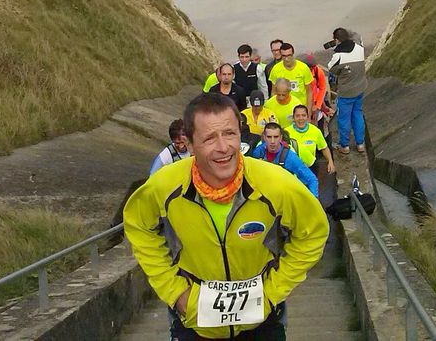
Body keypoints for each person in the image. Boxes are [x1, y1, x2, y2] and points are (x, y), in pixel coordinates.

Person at [123, 93, 329, 340]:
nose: (223, 147)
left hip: (262, 324)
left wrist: (273, 290)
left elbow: (314, 231)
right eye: (209, 138)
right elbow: (137, 225)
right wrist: (176, 291)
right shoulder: (164, 186)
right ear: (189, 144)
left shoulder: (276, 184)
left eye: (230, 133)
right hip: (194, 324)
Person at [327, 27, 368, 154]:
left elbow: (332, 70)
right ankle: (360, 144)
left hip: (346, 92)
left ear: (337, 40)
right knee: (357, 114)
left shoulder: (338, 56)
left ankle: (344, 145)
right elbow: (356, 35)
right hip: (360, 87)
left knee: (344, 119)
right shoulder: (360, 49)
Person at [250, 122, 319, 197]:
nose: (272, 141)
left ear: (280, 138)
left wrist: (313, 203)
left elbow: (312, 179)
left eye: (276, 137)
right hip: (265, 196)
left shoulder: (290, 157)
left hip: (285, 196)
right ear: (264, 137)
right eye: (269, 137)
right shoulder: (258, 152)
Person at [286, 105, 335, 175]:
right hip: (292, 169)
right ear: (293, 118)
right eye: (297, 116)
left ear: (307, 117)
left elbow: (324, 148)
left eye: (303, 115)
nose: (301, 118)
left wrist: (330, 161)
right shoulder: (286, 132)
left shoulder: (315, 131)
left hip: (310, 168)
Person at [265, 43, 313, 114]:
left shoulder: (303, 68)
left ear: (293, 54)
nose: (286, 59)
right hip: (283, 109)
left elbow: (309, 92)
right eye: (284, 56)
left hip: (300, 109)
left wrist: (308, 113)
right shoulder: (276, 69)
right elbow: (274, 92)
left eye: (289, 55)